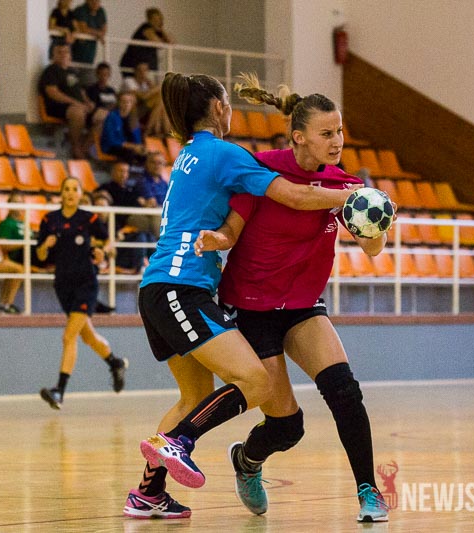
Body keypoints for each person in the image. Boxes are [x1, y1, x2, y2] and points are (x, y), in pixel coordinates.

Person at [122, 72, 359, 520]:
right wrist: (353, 194)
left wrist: (221, 238)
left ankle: (148, 493)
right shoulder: (224, 153)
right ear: (218, 108)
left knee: (193, 398)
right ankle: (178, 442)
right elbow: (293, 195)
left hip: (159, 288)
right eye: (229, 103)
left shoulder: (190, 153)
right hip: (180, 288)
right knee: (256, 381)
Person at [194, 78, 391, 522]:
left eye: (340, 131)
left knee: (345, 391)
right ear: (298, 136)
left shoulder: (344, 185)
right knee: (287, 426)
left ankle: (368, 491)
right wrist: (216, 239)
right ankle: (247, 460)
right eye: (327, 133)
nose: (337, 141)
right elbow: (232, 230)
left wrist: (376, 221)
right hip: (251, 308)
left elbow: (373, 249)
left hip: (302, 306)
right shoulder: (261, 169)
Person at [36, 177, 128, 410]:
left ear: (80, 194)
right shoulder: (49, 220)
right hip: (62, 285)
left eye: (74, 189)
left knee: (69, 336)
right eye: (65, 189)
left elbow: (109, 243)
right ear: (61, 193)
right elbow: (40, 256)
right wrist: (45, 246)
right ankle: (115, 362)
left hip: (86, 283)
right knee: (88, 337)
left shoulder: (88, 218)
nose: (69, 193)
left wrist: (103, 252)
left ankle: (59, 391)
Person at [38, 44, 95, 159]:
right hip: (59, 106)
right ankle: (75, 147)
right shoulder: (50, 71)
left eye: (66, 52)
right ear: (53, 55)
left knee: (104, 116)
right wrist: (75, 103)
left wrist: (88, 102)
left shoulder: (73, 71)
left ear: (70, 55)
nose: (63, 54)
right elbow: (52, 92)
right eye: (59, 52)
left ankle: (84, 147)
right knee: (77, 112)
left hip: (78, 105)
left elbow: (80, 91)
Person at [121, 62, 171, 136]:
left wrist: (152, 85)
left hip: (145, 109)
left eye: (145, 70)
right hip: (132, 109)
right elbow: (143, 97)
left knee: (161, 102)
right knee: (160, 92)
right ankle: (156, 131)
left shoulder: (145, 83)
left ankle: (154, 130)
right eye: (140, 70)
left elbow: (152, 96)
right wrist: (157, 88)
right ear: (135, 71)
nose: (142, 73)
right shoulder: (129, 81)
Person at [120, 7, 174, 73]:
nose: (157, 22)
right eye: (155, 20)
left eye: (159, 19)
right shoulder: (146, 28)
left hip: (147, 64)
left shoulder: (158, 31)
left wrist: (162, 29)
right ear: (149, 20)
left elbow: (171, 42)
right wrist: (163, 39)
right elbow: (159, 44)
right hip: (133, 64)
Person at [100, 91, 146, 165]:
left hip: (131, 147)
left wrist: (139, 148)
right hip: (113, 146)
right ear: (119, 103)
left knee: (145, 155)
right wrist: (133, 147)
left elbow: (137, 139)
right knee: (129, 153)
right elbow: (112, 140)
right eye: (123, 101)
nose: (126, 104)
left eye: (129, 102)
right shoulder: (112, 117)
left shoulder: (134, 119)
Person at [71, 0, 107, 66]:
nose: (95, 2)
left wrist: (98, 33)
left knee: (88, 68)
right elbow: (84, 29)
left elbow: (104, 30)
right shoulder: (81, 10)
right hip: (77, 50)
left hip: (90, 51)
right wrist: (98, 33)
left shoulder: (100, 11)